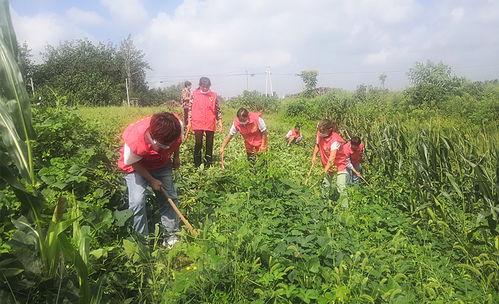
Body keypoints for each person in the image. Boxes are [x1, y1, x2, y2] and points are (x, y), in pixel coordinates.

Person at [117, 112, 183, 248]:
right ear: (152, 138)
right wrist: (151, 180)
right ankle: (142, 243)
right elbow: (133, 163)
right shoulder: (134, 139)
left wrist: (176, 157)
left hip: (160, 163)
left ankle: (170, 237)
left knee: (169, 198)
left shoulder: (176, 127)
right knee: (137, 202)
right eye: (164, 146)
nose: (167, 148)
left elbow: (177, 143)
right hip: (136, 166)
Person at [187, 77, 223, 167]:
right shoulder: (194, 94)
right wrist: (189, 122)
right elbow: (190, 109)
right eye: (203, 86)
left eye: (207, 86)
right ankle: (197, 164)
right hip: (197, 121)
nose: (205, 88)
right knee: (198, 143)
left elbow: (217, 109)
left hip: (210, 122)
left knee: (209, 143)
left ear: (209, 86)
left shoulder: (213, 95)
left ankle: (208, 163)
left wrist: (220, 122)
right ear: (200, 85)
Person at [311, 119, 348, 200]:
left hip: (339, 164)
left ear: (329, 130)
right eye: (320, 130)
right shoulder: (320, 134)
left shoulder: (335, 140)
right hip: (327, 163)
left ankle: (344, 208)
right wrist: (314, 156)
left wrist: (325, 171)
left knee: (341, 187)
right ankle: (324, 202)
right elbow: (317, 145)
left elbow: (332, 157)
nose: (320, 133)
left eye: (323, 131)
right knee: (325, 185)